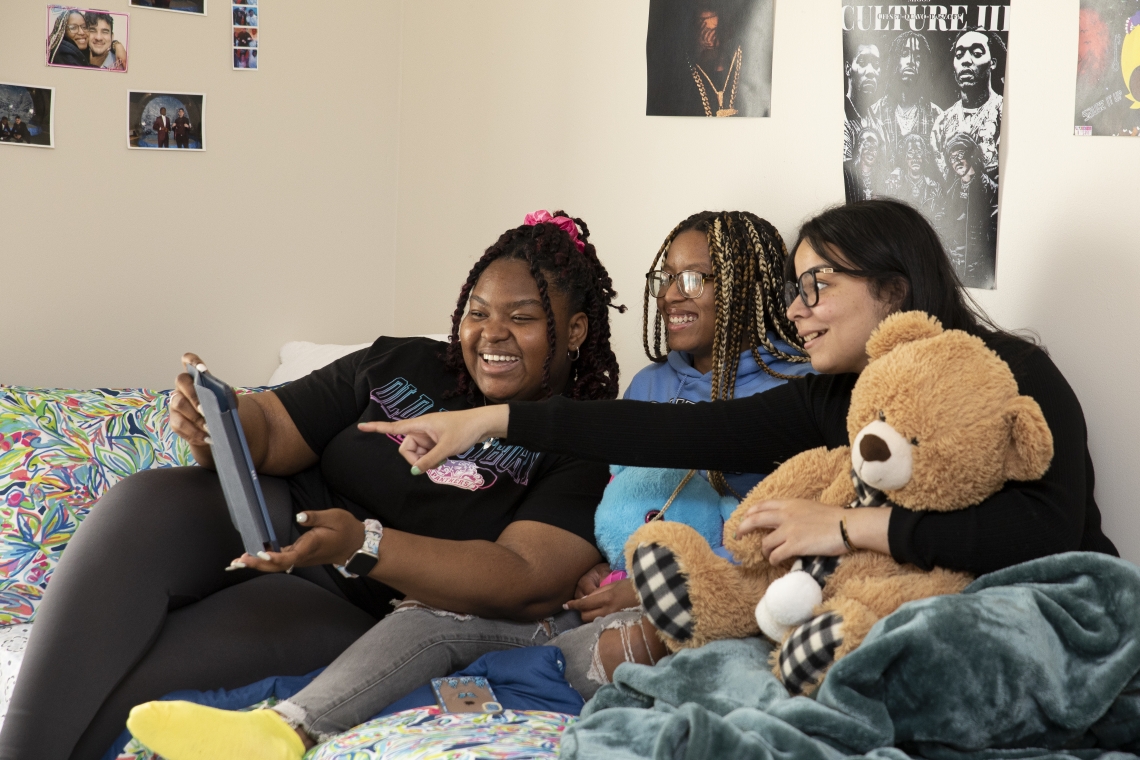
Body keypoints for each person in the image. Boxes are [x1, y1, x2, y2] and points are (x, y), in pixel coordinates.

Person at [0, 211, 624, 760]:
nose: (491, 334)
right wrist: (216, 418)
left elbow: (523, 578)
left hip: (348, 596)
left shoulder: (586, 444)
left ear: (573, 332)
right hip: (270, 515)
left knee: (143, 664)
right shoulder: (401, 361)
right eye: (477, 313)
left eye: (523, 318)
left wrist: (365, 544)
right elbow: (270, 429)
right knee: (143, 500)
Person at [363, 199, 1118, 626]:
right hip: (901, 614)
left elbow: (1047, 535)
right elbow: (673, 433)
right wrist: (489, 422)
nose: (797, 310)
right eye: (794, 287)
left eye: (817, 285)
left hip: (1051, 609)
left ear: (892, 288)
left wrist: (849, 526)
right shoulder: (837, 396)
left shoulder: (1011, 373)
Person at [548, 210, 812, 697]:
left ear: (747, 286)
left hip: (724, 599)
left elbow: (782, 538)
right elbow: (619, 495)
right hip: (627, 584)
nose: (672, 294)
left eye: (692, 278)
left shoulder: (798, 386)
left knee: (613, 650)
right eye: (665, 278)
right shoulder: (650, 383)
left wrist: (656, 588)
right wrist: (604, 564)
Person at [931, 30, 1005, 179]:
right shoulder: (941, 123)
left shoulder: (1004, 113)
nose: (965, 60)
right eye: (959, 55)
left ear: (993, 63)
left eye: (976, 53)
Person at [865, 32, 943, 168]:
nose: (911, 61)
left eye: (917, 57)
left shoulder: (937, 116)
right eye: (905, 53)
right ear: (895, 60)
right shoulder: (873, 113)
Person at [938, 134, 998, 289]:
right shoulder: (951, 192)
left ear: (971, 155)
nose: (956, 161)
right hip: (955, 270)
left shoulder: (991, 189)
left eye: (960, 155)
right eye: (952, 158)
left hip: (980, 271)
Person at [883, 133, 943, 218]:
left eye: (918, 152)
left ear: (924, 155)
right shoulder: (893, 186)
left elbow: (941, 215)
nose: (915, 158)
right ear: (905, 156)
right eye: (910, 153)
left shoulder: (935, 188)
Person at [843, 41, 880, 161]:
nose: (870, 71)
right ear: (848, 69)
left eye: (875, 64)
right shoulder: (841, 119)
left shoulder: (879, 124)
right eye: (862, 62)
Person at [843, 127, 886, 202]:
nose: (871, 151)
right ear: (859, 146)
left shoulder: (883, 175)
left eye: (874, 147)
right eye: (867, 145)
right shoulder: (848, 172)